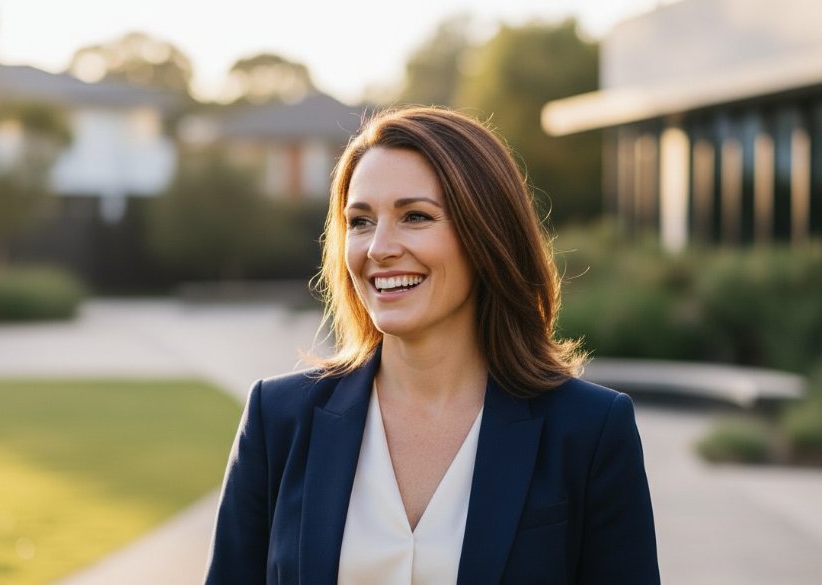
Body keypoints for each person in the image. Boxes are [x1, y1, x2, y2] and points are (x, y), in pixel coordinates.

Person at [204, 106, 659, 585]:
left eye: (415, 216)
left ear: (487, 233)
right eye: (360, 222)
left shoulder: (589, 431)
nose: (379, 247)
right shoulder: (277, 420)